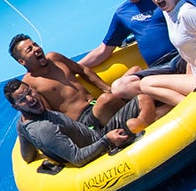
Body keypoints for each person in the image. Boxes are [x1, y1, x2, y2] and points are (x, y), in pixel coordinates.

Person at [8, 33, 156, 134]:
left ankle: (141, 124)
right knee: (106, 100)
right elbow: (47, 114)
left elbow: (82, 70)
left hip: (96, 103)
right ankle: (137, 125)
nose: (37, 49)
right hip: (84, 122)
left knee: (135, 72)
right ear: (22, 61)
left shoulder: (55, 58)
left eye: (35, 44)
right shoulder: (29, 84)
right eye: (30, 49)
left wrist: (106, 88)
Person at [4, 78, 131, 169]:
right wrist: (107, 140)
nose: (30, 98)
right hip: (102, 147)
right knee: (143, 101)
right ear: (15, 107)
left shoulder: (22, 124)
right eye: (22, 99)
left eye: (29, 92)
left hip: (95, 133)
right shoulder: (44, 129)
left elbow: (27, 157)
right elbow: (78, 159)